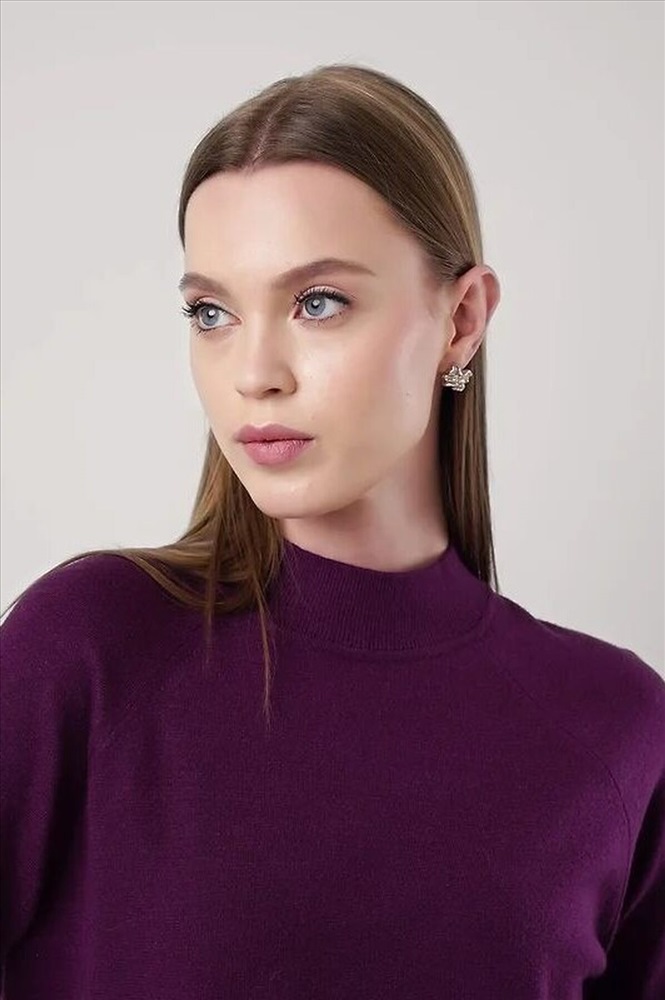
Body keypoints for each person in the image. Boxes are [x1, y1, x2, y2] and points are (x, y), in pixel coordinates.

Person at [1, 63, 663, 1000]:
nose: (253, 372)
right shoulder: (90, 649)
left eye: (317, 302)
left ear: (461, 319)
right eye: (211, 313)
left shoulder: (616, 726)